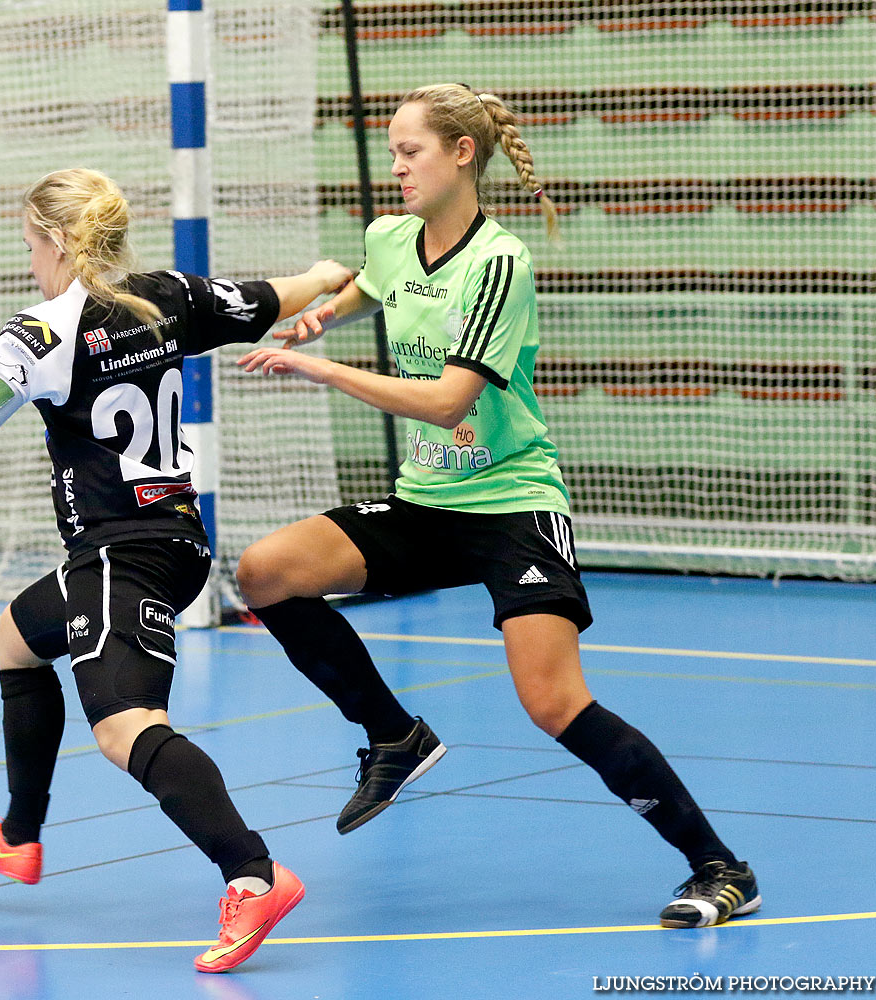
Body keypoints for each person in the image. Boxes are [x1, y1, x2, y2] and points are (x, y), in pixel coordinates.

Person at [233, 84, 759, 930]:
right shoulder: (390, 237)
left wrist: (319, 370)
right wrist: (324, 316)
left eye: (411, 152)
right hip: (427, 500)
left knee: (552, 702)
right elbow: (378, 282)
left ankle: (720, 867)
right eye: (394, 150)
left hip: (512, 502)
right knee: (265, 573)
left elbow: (448, 403)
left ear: (462, 154)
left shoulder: (500, 262)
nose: (396, 166)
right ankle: (392, 735)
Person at [0, 168, 354, 972]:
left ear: (58, 243)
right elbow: (283, 292)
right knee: (18, 637)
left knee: (125, 727)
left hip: (120, 554)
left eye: (32, 246)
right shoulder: (166, 296)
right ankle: (18, 838)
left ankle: (253, 873)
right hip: (172, 538)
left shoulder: (42, 331)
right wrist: (336, 273)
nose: (30, 263)